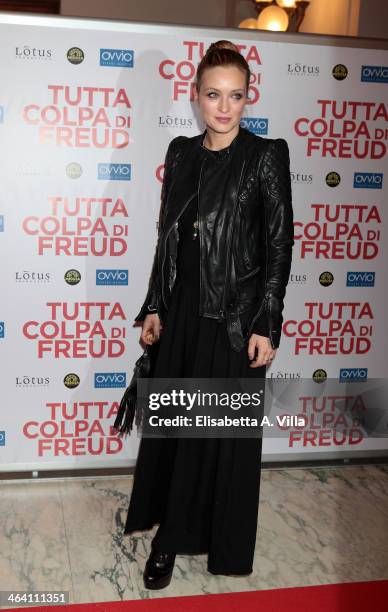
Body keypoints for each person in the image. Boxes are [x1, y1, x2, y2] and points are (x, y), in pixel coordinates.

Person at [123, 40, 294, 589]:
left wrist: (268, 321)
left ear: (249, 99)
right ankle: (167, 539)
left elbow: (278, 245)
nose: (224, 106)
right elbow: (166, 238)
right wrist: (154, 305)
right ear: (195, 96)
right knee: (177, 431)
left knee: (219, 437)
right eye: (214, 94)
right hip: (182, 314)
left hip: (235, 320)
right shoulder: (181, 152)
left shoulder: (266, 155)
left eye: (235, 96)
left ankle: (212, 538)